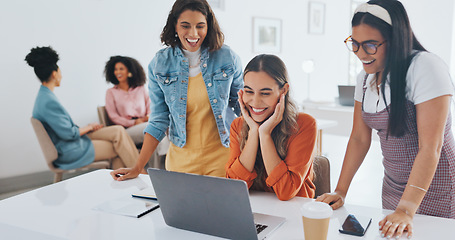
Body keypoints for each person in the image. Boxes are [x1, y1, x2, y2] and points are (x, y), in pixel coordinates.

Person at [316, 0, 455, 239]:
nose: (360, 54)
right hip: (392, 188)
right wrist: (340, 191)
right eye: (355, 44)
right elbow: (359, 138)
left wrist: (406, 208)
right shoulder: (365, 78)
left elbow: (430, 147)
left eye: (370, 45)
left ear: (397, 38)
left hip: (436, 189)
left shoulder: (425, 67)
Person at [111, 0, 243, 181]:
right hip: (181, 162)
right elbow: (158, 119)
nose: (193, 34)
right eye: (185, 26)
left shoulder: (227, 58)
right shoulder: (160, 64)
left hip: (224, 158)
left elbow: (243, 106)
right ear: (175, 25)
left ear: (209, 26)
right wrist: (137, 167)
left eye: (200, 26)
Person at [26, 46, 139, 170]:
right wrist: (89, 127)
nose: (61, 75)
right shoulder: (48, 101)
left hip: (72, 142)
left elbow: (65, 129)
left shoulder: (45, 96)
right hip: (70, 150)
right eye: (60, 72)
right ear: (54, 74)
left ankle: (133, 180)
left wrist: (88, 128)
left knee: (118, 131)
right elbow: (69, 134)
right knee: (119, 147)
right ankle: (142, 176)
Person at [226, 54, 317, 201]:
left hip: (294, 214)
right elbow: (234, 187)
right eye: (249, 91)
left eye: (265, 93)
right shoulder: (237, 126)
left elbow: (286, 191)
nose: (255, 101)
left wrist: (265, 134)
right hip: (256, 213)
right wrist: (254, 132)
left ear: (283, 90)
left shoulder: (304, 124)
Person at [104, 56, 151, 146]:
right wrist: (133, 122)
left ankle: (159, 160)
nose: (118, 72)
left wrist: (146, 118)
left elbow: (151, 107)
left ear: (129, 71)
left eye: (121, 69)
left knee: (159, 132)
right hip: (127, 130)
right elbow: (113, 117)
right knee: (152, 131)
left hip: (145, 123)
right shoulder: (111, 92)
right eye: (115, 69)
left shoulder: (141, 89)